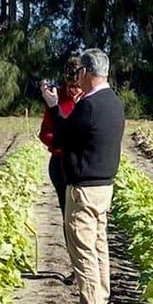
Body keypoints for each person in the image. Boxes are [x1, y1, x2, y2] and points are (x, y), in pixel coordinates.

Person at [41, 48, 125, 304]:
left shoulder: (89, 106)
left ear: (86, 73)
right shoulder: (113, 102)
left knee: (84, 253)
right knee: (99, 246)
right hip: (104, 187)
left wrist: (53, 106)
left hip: (84, 190)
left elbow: (61, 135)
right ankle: (99, 301)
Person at [38, 53, 84, 215]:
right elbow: (45, 133)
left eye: (78, 86)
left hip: (86, 165)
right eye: (70, 86)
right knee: (68, 214)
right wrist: (63, 146)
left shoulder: (92, 97)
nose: (74, 91)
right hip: (61, 164)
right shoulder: (56, 97)